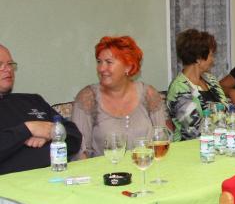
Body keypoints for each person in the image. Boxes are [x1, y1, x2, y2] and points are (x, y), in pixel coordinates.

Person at [72, 36, 167, 158]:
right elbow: (80, 153)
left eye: (109, 62)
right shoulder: (87, 98)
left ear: (128, 67)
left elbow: (161, 140)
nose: (101, 68)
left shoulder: (149, 94)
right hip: (105, 170)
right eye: (99, 62)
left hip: (145, 166)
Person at [0, 45, 82, 174]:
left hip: (60, 176)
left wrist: (50, 135)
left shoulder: (33, 100)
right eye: (0, 64)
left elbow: (75, 136)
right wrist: (29, 129)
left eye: (10, 64)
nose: (8, 69)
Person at [166, 29, 229, 140]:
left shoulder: (211, 80)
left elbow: (227, 112)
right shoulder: (179, 88)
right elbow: (194, 131)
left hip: (219, 142)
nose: (213, 60)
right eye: (211, 55)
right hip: (190, 147)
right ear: (199, 59)